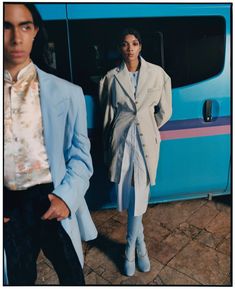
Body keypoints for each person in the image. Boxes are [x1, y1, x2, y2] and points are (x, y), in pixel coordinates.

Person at [4, 3, 97, 285]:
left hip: (52, 199)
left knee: (73, 278)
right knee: (18, 279)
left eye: (24, 26)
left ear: (35, 32)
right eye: (5, 26)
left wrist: (67, 199)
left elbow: (81, 158)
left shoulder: (68, 94)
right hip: (8, 206)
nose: (16, 38)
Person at [99, 28, 172, 276]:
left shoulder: (157, 74)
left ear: (141, 47)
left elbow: (165, 111)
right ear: (120, 48)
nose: (130, 48)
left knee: (140, 192)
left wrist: (149, 126)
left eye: (135, 43)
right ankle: (141, 245)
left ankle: (130, 250)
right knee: (131, 197)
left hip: (145, 144)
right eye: (125, 44)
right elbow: (108, 115)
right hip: (122, 143)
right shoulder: (111, 78)